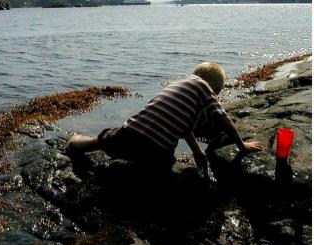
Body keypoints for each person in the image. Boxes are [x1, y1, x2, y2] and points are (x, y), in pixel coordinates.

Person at [66, 62, 264, 176]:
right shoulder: (204, 87)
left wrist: (197, 152)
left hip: (131, 133)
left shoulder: (178, 85)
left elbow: (184, 128)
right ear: (214, 88)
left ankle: (77, 143)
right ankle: (79, 143)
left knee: (101, 143)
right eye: (217, 93)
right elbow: (224, 120)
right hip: (157, 150)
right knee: (163, 168)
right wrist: (242, 146)